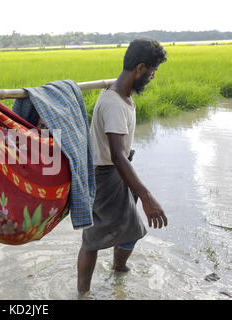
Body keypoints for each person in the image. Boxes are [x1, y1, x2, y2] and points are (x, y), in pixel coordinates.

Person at [77, 38, 168, 295]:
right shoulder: (114, 104)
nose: (153, 77)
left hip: (119, 169)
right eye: (152, 71)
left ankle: (118, 269)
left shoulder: (122, 95)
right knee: (94, 238)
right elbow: (117, 155)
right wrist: (148, 196)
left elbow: (121, 155)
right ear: (140, 68)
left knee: (129, 230)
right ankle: (82, 292)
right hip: (107, 173)